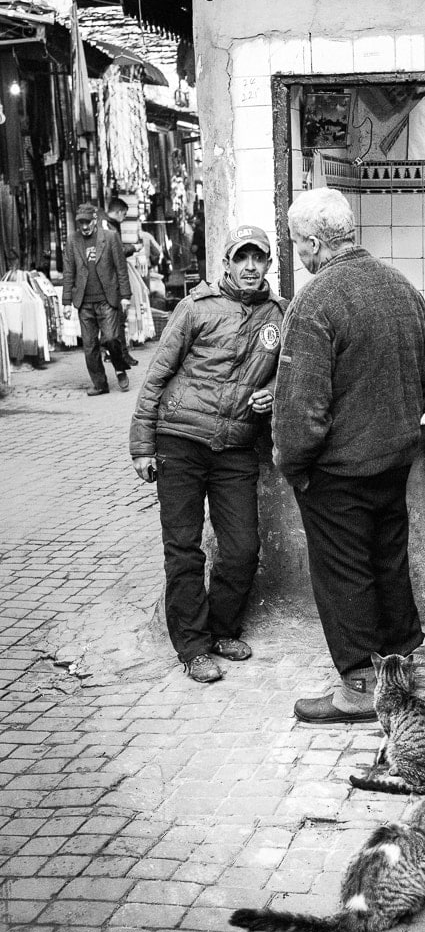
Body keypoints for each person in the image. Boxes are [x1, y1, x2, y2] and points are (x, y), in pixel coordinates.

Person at [272, 187, 425, 724]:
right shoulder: (402, 289)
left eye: (298, 243)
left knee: (345, 572)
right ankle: (398, 668)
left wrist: (293, 465)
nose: (298, 253)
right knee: (386, 561)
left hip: (337, 471)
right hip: (393, 460)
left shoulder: (315, 300)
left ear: (315, 242)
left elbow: (300, 409)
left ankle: (362, 687)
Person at [129, 224, 286, 684]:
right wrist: (142, 446)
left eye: (259, 258)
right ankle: (193, 648)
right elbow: (156, 376)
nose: (251, 266)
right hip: (179, 441)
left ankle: (220, 629)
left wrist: (272, 391)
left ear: (270, 265)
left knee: (242, 549)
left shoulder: (280, 315)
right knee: (183, 549)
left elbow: (293, 370)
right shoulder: (195, 308)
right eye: (243, 258)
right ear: (227, 264)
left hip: (235, 447)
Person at [62, 201, 133, 395]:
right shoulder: (72, 241)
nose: (84, 227)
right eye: (80, 223)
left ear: (95, 220)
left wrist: (125, 296)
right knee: (89, 346)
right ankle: (100, 384)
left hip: (107, 299)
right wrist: (66, 302)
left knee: (111, 338)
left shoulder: (110, 237)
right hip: (84, 302)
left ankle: (119, 367)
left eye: (87, 222)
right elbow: (68, 272)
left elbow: (121, 269)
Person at [101, 195, 138, 368]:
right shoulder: (109, 228)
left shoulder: (105, 224)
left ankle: (115, 353)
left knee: (113, 319)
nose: (124, 219)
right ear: (120, 212)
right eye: (124, 215)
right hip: (111, 279)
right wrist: (133, 248)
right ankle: (121, 355)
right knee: (118, 318)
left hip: (107, 279)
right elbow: (117, 252)